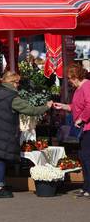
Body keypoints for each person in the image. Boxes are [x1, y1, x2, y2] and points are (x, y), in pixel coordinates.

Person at [0, 71, 52, 198]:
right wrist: (46, 106)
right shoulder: (13, 97)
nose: (18, 85)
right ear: (11, 82)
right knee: (2, 157)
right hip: (4, 131)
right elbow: (31, 110)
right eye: (17, 82)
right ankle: (0, 189)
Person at [54, 64, 90, 198]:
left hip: (87, 127)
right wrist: (63, 106)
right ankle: (86, 186)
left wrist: (81, 118)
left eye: (70, 78)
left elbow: (89, 104)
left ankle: (89, 188)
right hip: (82, 128)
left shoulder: (86, 86)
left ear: (76, 77)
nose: (69, 81)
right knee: (83, 157)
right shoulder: (79, 88)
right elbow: (76, 106)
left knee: (87, 158)